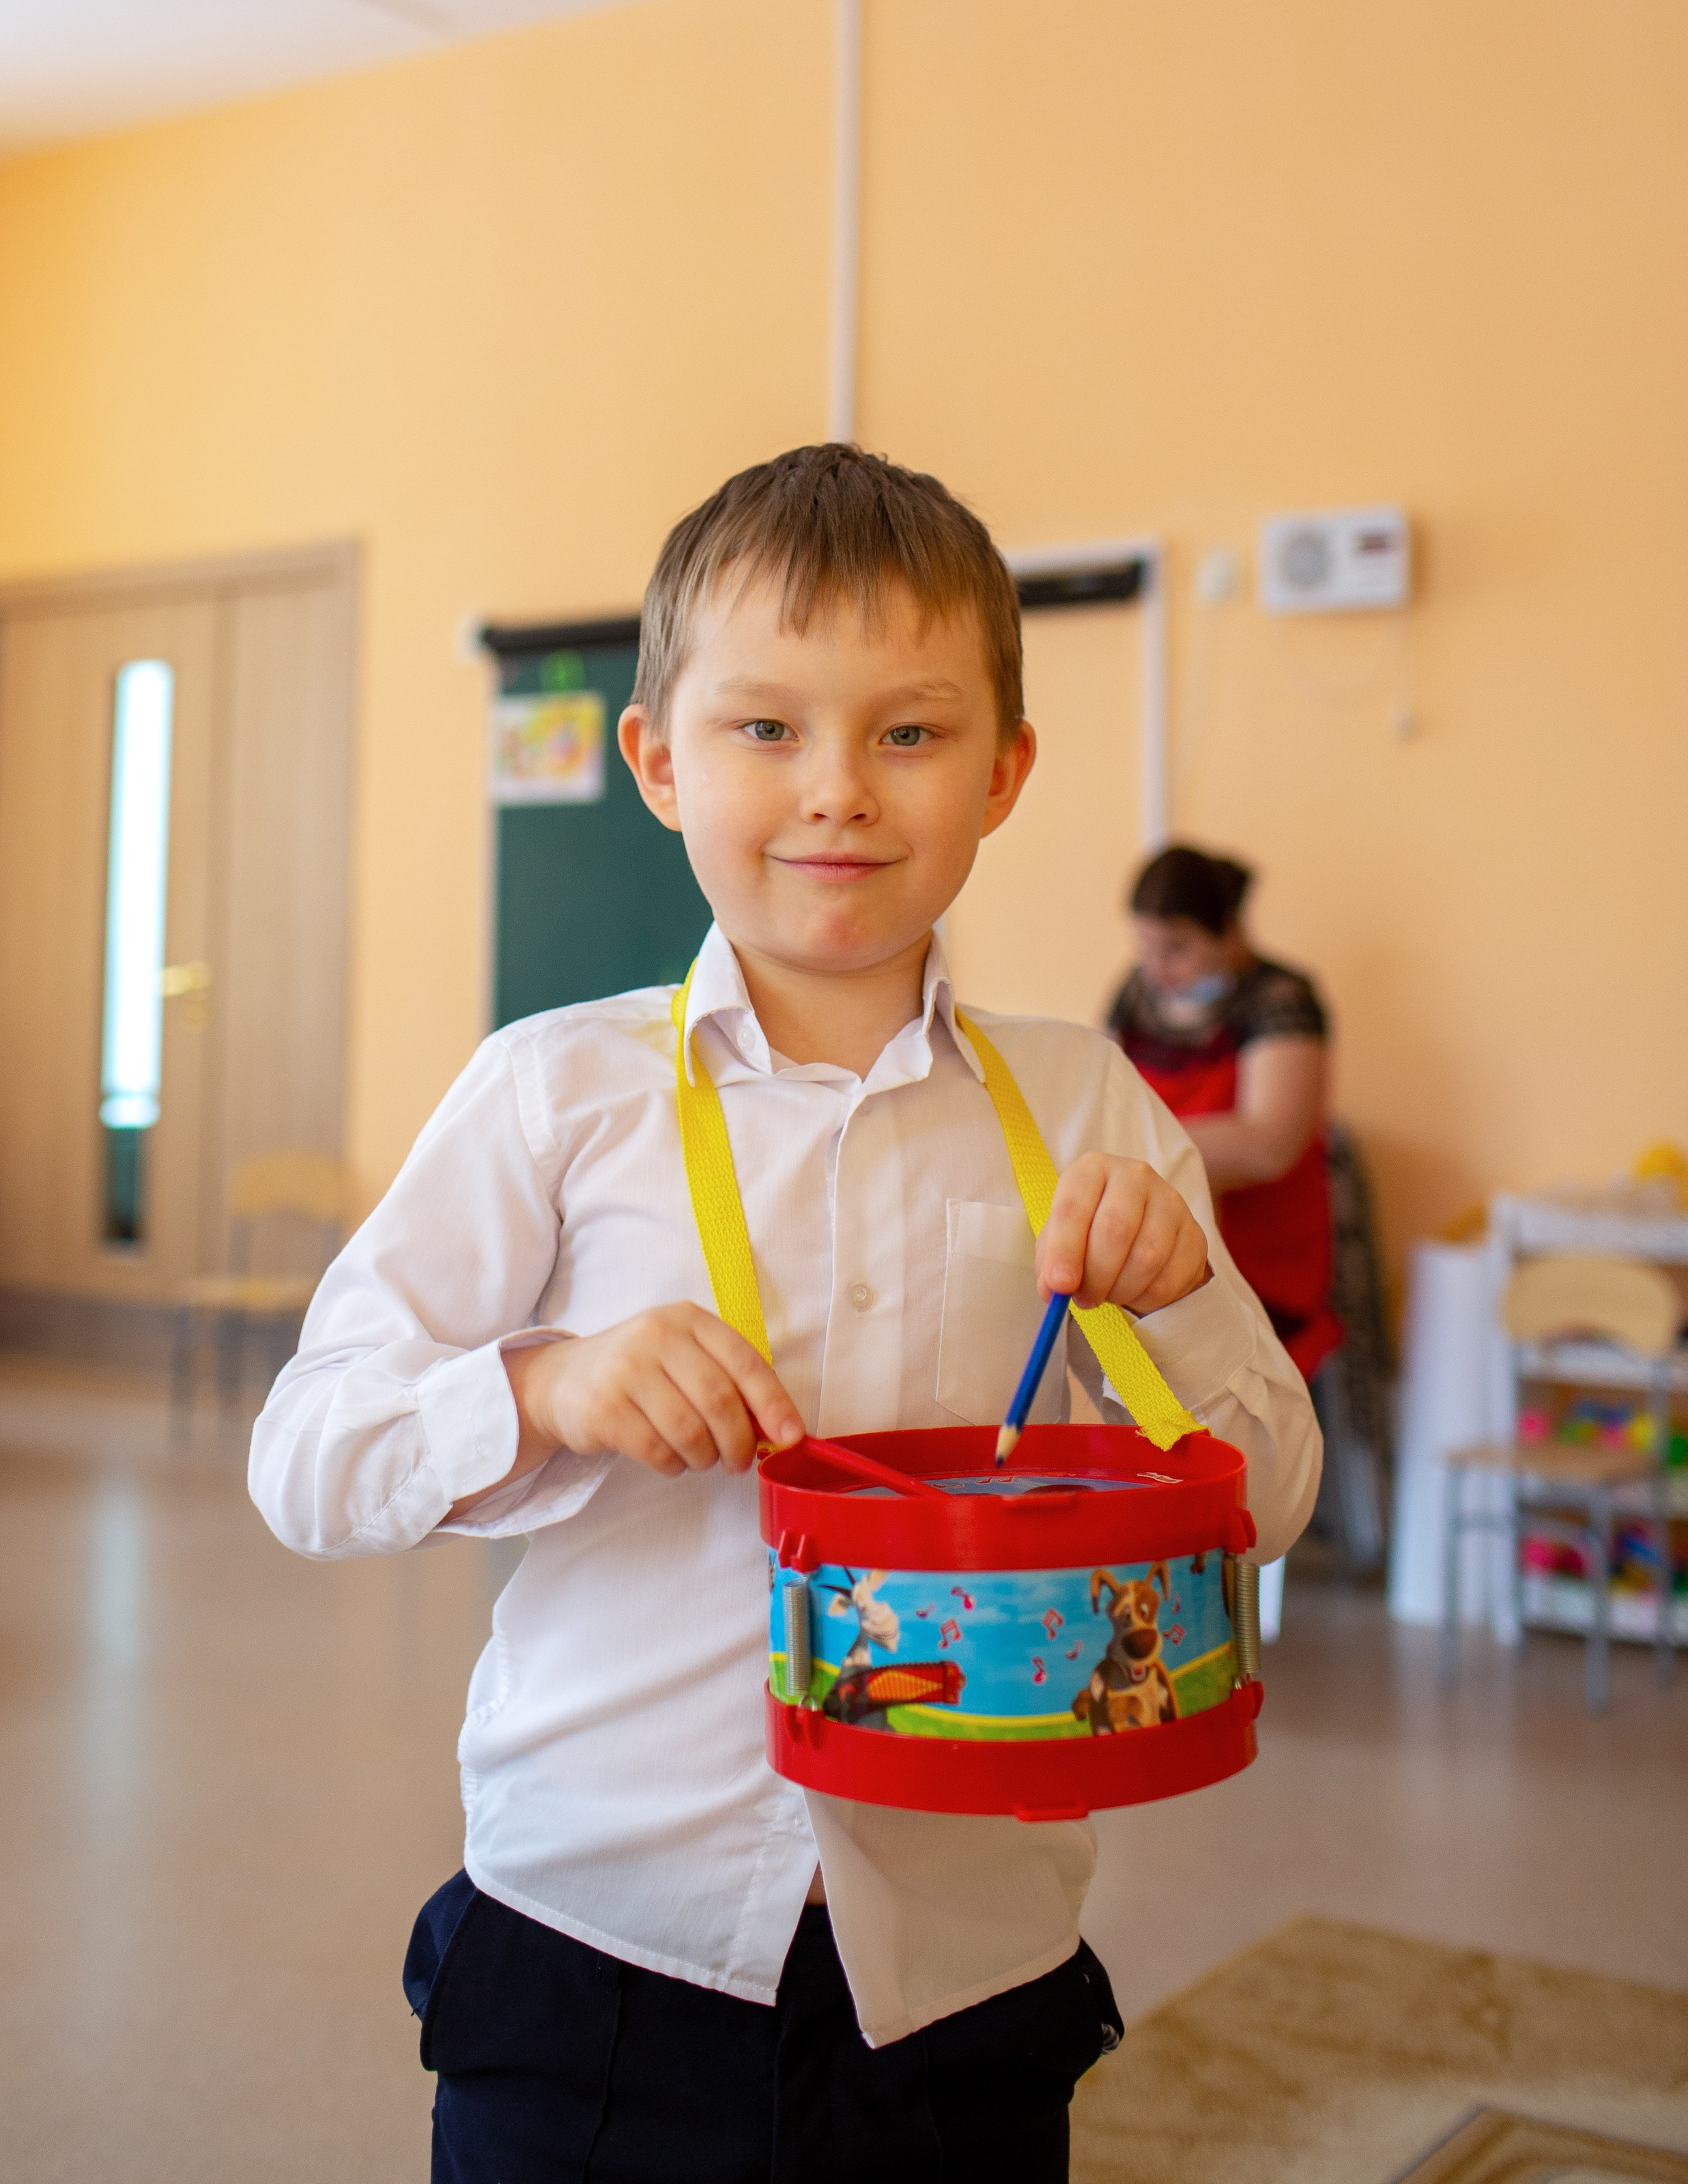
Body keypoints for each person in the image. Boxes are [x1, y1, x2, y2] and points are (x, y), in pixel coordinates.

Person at [249, 447, 1320, 2183]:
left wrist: (1182, 1305)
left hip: (968, 1971)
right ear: (657, 760)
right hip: (599, 1941)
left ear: (1005, 772)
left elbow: (1266, 1500)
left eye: (908, 732)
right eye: (764, 730)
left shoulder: (1088, 1103)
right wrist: (550, 1385)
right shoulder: (553, 1093)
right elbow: (305, 1453)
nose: (837, 790)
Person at [1108, 844, 1341, 1381]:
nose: (1156, 967)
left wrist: (1137, 1151)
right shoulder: (1137, 996)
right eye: (1145, 946)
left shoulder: (1281, 999)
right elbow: (1104, 1095)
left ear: (1230, 932)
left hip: (1264, 1255)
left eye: (1177, 948)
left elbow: (1268, 1144)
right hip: (1165, 1234)